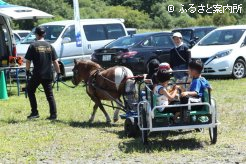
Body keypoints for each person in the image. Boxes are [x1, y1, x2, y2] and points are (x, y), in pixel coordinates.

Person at [25, 27, 61, 120]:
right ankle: (53, 115)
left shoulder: (33, 45)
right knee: (49, 95)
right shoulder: (49, 46)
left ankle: (34, 112)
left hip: (37, 74)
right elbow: (55, 61)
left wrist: (27, 70)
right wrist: (58, 73)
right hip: (48, 74)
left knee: (30, 90)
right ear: (44, 34)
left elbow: (28, 61)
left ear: (36, 34)